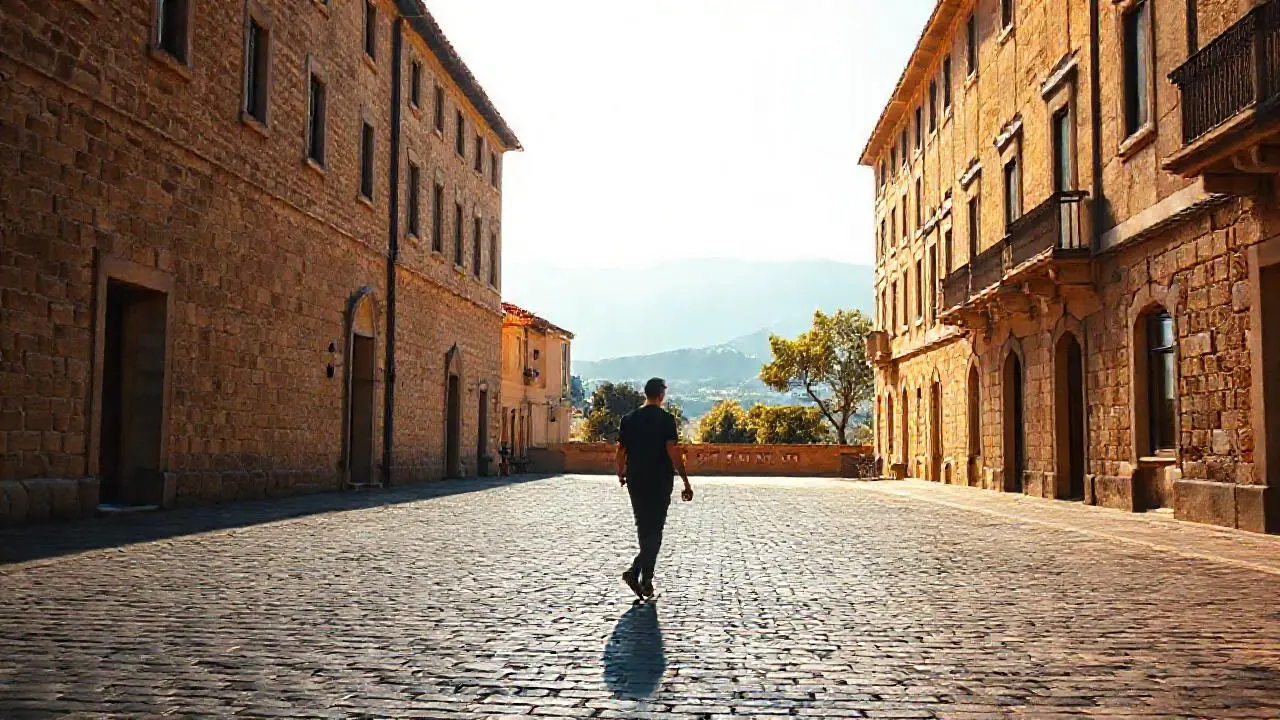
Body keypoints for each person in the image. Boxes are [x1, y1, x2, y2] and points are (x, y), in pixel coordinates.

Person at [616, 377, 693, 600]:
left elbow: (621, 451)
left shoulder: (628, 419)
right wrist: (685, 480)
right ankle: (641, 576)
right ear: (661, 396)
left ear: (645, 394)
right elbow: (673, 451)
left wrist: (621, 473)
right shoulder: (666, 420)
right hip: (660, 480)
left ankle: (641, 577)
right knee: (655, 530)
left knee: (643, 527)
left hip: (636, 479)